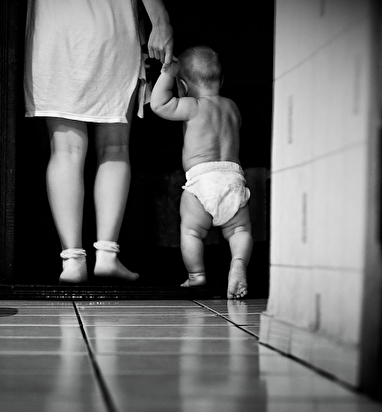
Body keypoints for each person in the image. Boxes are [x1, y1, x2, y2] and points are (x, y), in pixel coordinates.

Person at [24, 0, 174, 284]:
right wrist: (161, 20)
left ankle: (72, 261)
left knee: (65, 149)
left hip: (55, 30)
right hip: (112, 28)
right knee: (114, 148)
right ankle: (107, 256)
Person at [149, 45, 253, 298]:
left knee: (191, 231)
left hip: (202, 180)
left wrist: (167, 73)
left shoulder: (192, 105)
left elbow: (159, 104)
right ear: (222, 81)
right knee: (240, 231)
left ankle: (196, 275)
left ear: (183, 86)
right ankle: (238, 262)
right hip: (233, 179)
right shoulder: (232, 107)